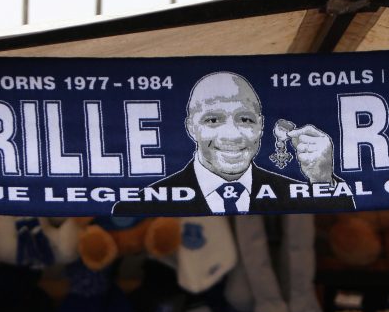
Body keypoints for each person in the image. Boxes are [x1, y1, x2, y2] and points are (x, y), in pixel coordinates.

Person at [114, 71, 353, 215]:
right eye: (213, 119)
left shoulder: (293, 193)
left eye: (245, 119)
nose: (232, 134)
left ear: (260, 126)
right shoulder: (140, 205)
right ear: (190, 127)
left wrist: (323, 181)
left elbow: (337, 240)